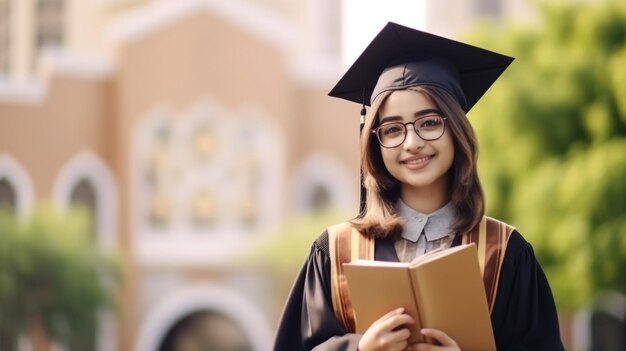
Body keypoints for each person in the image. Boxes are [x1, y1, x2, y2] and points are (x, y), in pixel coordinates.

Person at [273, 22, 564, 351]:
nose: (411, 142)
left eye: (429, 123)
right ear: (375, 142)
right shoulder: (335, 251)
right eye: (393, 129)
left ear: (456, 130)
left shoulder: (503, 252)